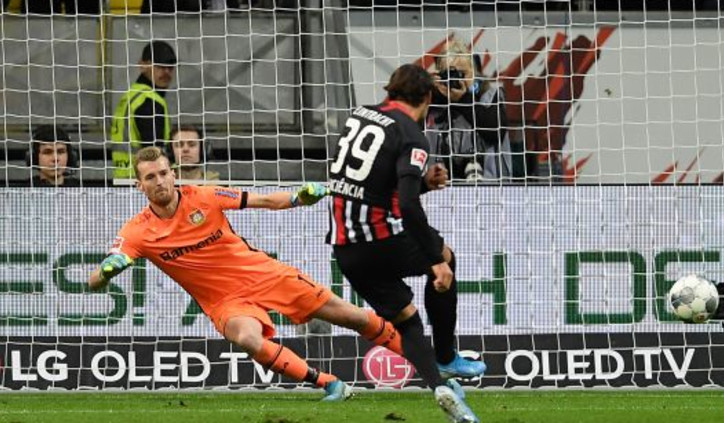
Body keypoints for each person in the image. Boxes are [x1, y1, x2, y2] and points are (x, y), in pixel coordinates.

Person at [88, 146, 407, 401]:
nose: (159, 181)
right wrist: (107, 271)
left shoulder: (204, 197)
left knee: (352, 316)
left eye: (162, 173)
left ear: (173, 174)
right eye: (150, 177)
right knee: (248, 339)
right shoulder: (137, 232)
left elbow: (264, 199)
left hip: (264, 275)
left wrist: (297, 198)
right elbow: (94, 281)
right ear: (139, 185)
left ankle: (426, 361)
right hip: (225, 301)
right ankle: (330, 383)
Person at [327, 64, 482, 423]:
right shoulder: (412, 135)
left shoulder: (361, 116)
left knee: (407, 321)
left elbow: (370, 184)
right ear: (427, 97)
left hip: (346, 249)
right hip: (380, 239)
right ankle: (446, 357)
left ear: (391, 91)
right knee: (446, 258)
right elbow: (409, 207)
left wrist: (423, 183)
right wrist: (434, 259)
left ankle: (440, 388)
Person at [425, 39, 511, 181]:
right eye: (451, 73)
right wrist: (430, 90)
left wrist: (463, 99)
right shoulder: (431, 101)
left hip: (490, 184)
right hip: (439, 184)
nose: (458, 79)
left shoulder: (490, 96)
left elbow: (495, 133)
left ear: (474, 72)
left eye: (463, 73)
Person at [111, 41, 176, 179]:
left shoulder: (131, 96)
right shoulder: (149, 100)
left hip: (125, 176)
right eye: (160, 66)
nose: (166, 72)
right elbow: (154, 152)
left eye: (170, 67)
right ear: (143, 65)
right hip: (145, 179)